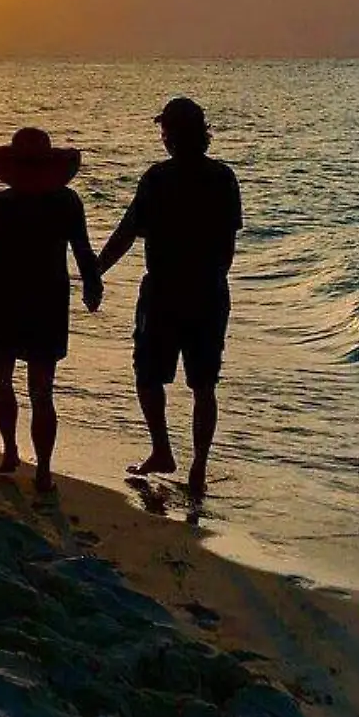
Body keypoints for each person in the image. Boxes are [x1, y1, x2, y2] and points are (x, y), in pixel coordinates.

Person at [97, 97, 242, 501]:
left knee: (147, 373)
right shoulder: (223, 178)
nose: (163, 139)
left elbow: (126, 232)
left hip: (163, 290)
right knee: (204, 384)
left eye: (165, 132)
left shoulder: (158, 179)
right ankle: (198, 466)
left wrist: (94, 272)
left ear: (173, 136)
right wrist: (211, 280)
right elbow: (228, 246)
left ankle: (162, 448)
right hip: (210, 291)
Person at [0, 127, 103, 493]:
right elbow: (83, 251)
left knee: (3, 382)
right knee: (40, 391)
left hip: (5, 301)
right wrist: (92, 285)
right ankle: (40, 467)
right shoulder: (65, 201)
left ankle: (13, 451)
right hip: (45, 302)